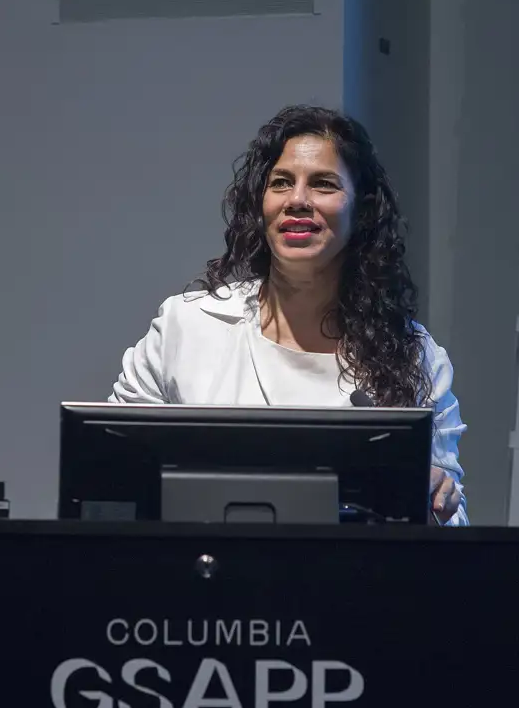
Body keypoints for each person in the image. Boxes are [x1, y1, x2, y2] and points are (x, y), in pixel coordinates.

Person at [108, 105, 468, 525]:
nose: (297, 200)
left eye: (323, 184)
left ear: (363, 211)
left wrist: (436, 499)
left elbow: (452, 523)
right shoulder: (184, 327)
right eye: (281, 183)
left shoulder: (414, 355)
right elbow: (113, 478)